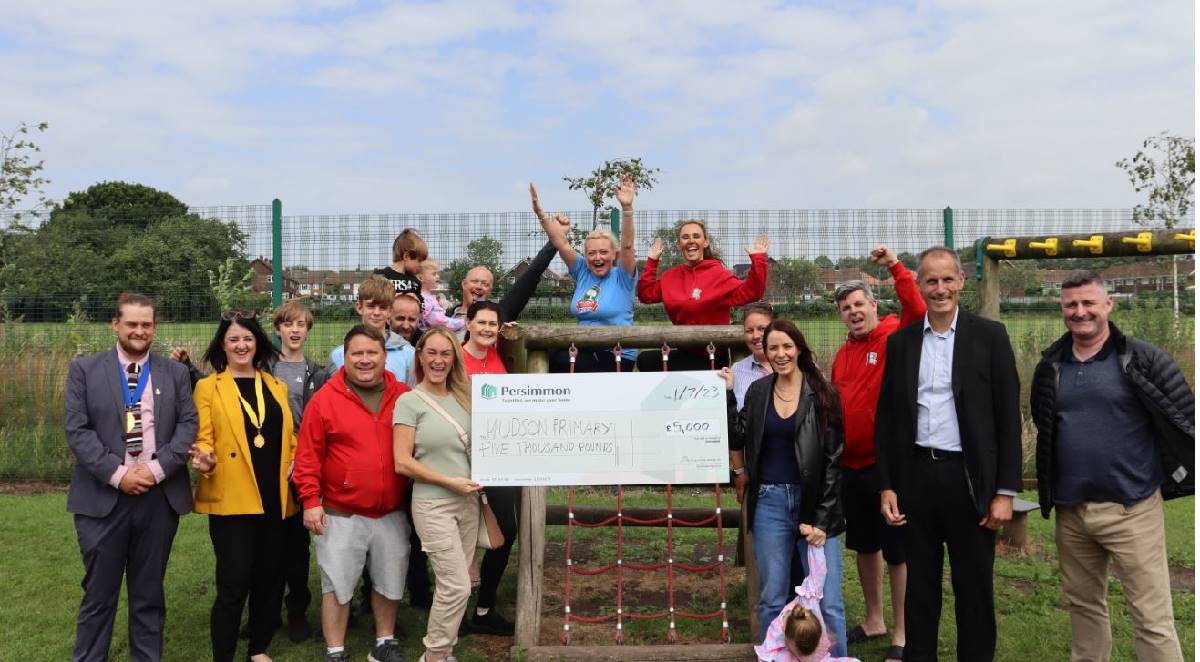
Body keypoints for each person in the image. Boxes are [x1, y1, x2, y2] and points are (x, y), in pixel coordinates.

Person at [1030, 270, 1192, 661]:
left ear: (1108, 305)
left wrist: (1174, 475)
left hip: (1131, 508)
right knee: (1084, 609)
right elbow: (1045, 423)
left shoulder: (1144, 359)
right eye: (1071, 304)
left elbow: (1182, 420)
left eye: (1089, 303)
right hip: (1073, 512)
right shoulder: (1050, 366)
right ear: (1062, 308)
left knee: (1152, 617)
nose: (1080, 311)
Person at [874, 246, 1021, 662]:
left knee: (973, 586)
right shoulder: (902, 343)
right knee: (920, 586)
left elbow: (1008, 418)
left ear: (961, 282)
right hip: (918, 477)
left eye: (947, 280)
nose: (939, 289)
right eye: (931, 281)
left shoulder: (989, 336)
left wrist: (1005, 491)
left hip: (970, 479)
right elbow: (887, 419)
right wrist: (887, 484)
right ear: (919, 285)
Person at [65, 292, 198, 662]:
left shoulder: (175, 373)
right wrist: (119, 474)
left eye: (146, 324)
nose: (139, 331)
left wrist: (156, 470)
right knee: (98, 595)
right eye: (132, 324)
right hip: (103, 499)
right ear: (116, 325)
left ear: (154, 327)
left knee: (148, 594)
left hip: (158, 498)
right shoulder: (85, 370)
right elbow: (77, 431)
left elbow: (188, 426)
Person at [293, 325, 412, 662]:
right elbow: (307, 457)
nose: (364, 360)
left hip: (391, 509)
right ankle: (336, 651)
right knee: (338, 584)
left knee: (390, 580)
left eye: (371, 353)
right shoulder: (325, 400)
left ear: (384, 356)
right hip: (340, 511)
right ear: (344, 358)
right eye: (356, 354)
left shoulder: (403, 395)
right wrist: (311, 502)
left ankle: (383, 643)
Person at [726, 319, 846, 652]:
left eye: (787, 346)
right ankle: (775, 657)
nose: (780, 354)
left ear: (799, 348)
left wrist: (823, 519)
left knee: (829, 599)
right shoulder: (758, 391)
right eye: (773, 347)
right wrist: (727, 398)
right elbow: (738, 435)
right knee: (772, 597)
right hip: (770, 502)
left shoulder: (823, 393)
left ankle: (835, 658)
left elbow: (835, 461)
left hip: (813, 504)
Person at [829, 245, 924, 662]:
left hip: (890, 466)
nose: (853, 311)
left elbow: (918, 310)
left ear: (873, 305)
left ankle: (902, 633)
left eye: (858, 303)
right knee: (865, 545)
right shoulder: (843, 353)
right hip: (852, 465)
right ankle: (874, 619)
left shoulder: (894, 336)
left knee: (897, 549)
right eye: (846, 307)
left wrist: (895, 267)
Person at [189, 310, 298, 662]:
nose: (241, 345)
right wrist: (204, 459)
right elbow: (204, 437)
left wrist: (299, 461)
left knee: (269, 579)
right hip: (232, 500)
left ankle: (259, 648)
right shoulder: (208, 387)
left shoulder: (275, 385)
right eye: (233, 339)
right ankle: (223, 653)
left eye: (247, 338)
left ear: (257, 343)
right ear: (223, 344)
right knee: (234, 582)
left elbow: (289, 438)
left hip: (274, 498)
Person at [393, 327, 482, 662]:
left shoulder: (466, 397)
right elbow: (402, 462)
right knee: (456, 584)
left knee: (457, 585)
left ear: (454, 358)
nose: (439, 360)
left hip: (469, 501)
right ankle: (433, 654)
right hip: (433, 504)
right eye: (432, 352)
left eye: (446, 354)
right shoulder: (409, 401)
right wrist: (449, 482)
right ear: (420, 355)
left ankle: (445, 651)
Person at [267, 300, 329, 642]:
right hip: (267, 464)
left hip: (299, 464)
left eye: (301, 325)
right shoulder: (264, 368)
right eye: (288, 324)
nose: (294, 330)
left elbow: (316, 423)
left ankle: (296, 611)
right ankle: (267, 609)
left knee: (295, 544)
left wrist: (301, 458)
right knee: (266, 542)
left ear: (307, 330)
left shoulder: (317, 373)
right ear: (278, 329)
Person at [533, 179, 639, 373]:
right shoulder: (583, 271)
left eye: (603, 252)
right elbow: (561, 243)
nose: (597, 257)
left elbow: (627, 246)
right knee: (547, 348)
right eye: (591, 253)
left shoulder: (623, 276)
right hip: (585, 348)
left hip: (616, 354)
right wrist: (541, 215)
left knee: (560, 358)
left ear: (614, 254)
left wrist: (627, 208)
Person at [637, 220, 769, 371]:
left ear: (705, 242)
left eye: (696, 236)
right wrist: (652, 261)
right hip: (684, 349)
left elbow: (753, 292)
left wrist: (758, 259)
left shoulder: (719, 275)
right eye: (685, 237)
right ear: (679, 244)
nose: (691, 240)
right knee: (645, 360)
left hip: (713, 354)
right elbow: (645, 294)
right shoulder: (670, 277)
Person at [458, 300, 516, 635]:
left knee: (505, 532)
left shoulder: (498, 356)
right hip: (462, 459)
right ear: (468, 323)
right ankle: (456, 611)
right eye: (481, 323)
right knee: (463, 536)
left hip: (498, 457)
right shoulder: (455, 358)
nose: (487, 329)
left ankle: (485, 607)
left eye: (493, 324)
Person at [755, 532, 860, 662]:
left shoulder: (809, 599)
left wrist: (814, 543)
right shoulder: (806, 603)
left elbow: (767, 651)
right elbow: (817, 572)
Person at [331, 275, 415, 383]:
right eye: (371, 306)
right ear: (359, 307)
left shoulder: (408, 354)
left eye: (383, 307)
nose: (376, 313)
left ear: (390, 311)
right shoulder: (338, 355)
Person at [731, 302, 777, 410]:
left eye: (762, 329)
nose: (756, 336)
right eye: (749, 331)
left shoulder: (798, 366)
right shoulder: (736, 371)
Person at [374, 227, 427, 305]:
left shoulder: (415, 282)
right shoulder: (380, 276)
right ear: (406, 256)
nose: (421, 265)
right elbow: (371, 301)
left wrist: (417, 303)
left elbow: (422, 308)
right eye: (419, 261)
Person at [418, 259, 466, 332]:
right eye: (434, 274)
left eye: (438, 274)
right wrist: (463, 322)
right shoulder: (425, 299)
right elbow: (439, 321)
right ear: (421, 278)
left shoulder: (424, 297)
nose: (438, 277)